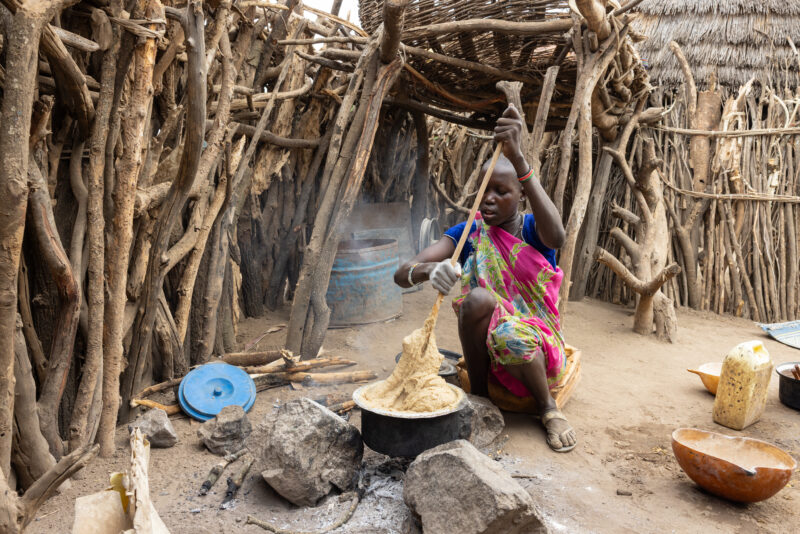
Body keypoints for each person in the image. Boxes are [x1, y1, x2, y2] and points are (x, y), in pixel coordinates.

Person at [394, 104, 576, 452]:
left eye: (502, 191)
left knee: (509, 333)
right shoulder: (468, 235)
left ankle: (547, 408)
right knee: (476, 300)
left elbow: (558, 236)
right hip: (489, 353)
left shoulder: (531, 231)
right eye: (484, 190)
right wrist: (430, 270)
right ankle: (479, 394)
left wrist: (520, 160)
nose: (489, 199)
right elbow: (401, 274)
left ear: (521, 195)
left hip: (536, 345)